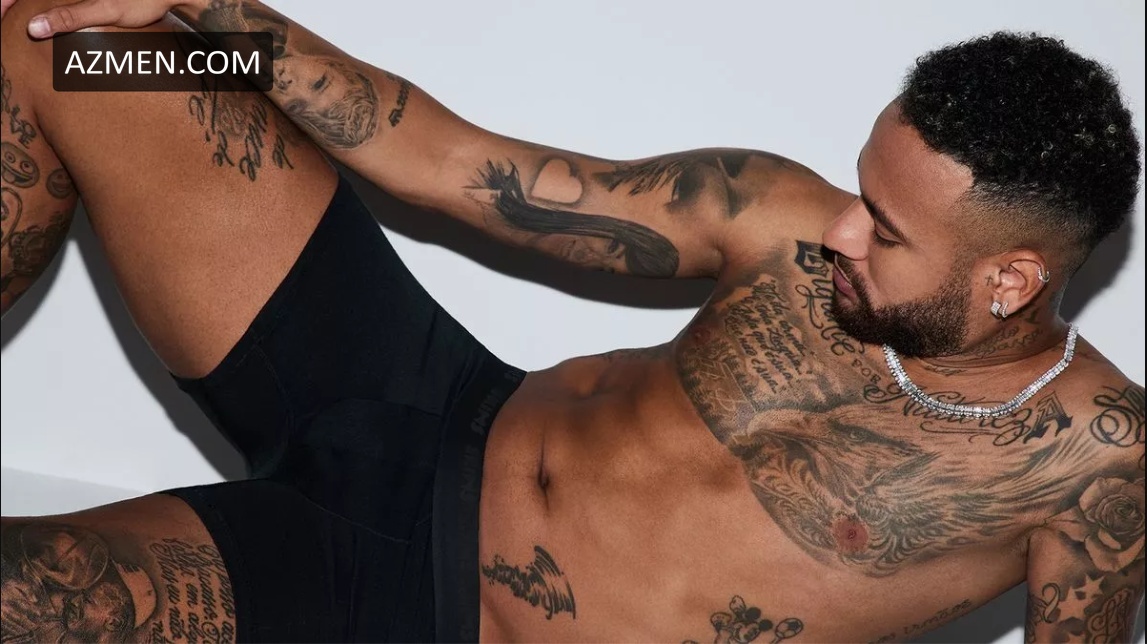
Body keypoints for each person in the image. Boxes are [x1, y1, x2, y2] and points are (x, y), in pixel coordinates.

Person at [4, 1, 1145, 643]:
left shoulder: (1094, 466)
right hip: (417, 397)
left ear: (1009, 280)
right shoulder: (776, 215)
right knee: (79, 43)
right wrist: (217, 15)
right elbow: (458, 169)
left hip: (417, 607)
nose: (840, 228)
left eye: (884, 230)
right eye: (859, 189)